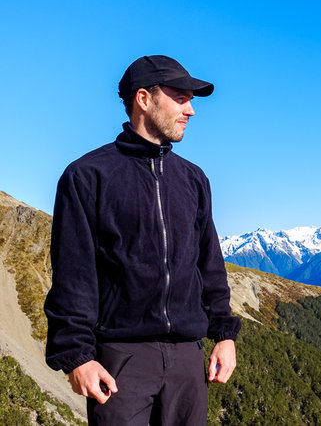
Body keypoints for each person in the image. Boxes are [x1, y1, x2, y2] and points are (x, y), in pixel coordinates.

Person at [44, 55, 241, 425]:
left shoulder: (194, 179)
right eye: (181, 98)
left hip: (187, 358)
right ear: (144, 99)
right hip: (121, 361)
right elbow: (74, 276)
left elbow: (210, 265)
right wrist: (78, 357)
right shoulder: (87, 177)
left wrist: (224, 336)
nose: (192, 110)